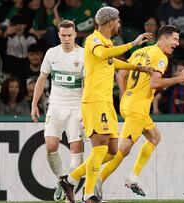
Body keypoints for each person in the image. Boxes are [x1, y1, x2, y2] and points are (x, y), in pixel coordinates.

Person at [58, 7, 152, 203]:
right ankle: (89, 194)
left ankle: (70, 179)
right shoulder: (93, 40)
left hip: (106, 102)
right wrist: (132, 44)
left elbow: (112, 62)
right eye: (117, 21)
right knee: (99, 147)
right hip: (94, 100)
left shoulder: (108, 43)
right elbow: (102, 55)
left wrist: (137, 67)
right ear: (110, 22)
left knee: (111, 151)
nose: (119, 24)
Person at [95, 25, 184, 198]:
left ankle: (133, 178)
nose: (177, 43)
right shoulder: (160, 57)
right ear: (163, 38)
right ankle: (96, 177)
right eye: (174, 39)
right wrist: (179, 79)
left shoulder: (140, 52)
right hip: (138, 108)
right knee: (122, 150)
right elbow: (154, 83)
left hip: (130, 104)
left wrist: (126, 96)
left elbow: (121, 73)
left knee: (155, 137)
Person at [30, 20, 84, 201]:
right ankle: (62, 180)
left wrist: (85, 109)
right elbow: (42, 78)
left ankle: (69, 184)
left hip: (76, 106)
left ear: (75, 34)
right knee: (50, 146)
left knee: (76, 150)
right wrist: (34, 103)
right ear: (59, 35)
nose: (66, 39)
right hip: (56, 106)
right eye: (63, 36)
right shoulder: (51, 53)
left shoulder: (83, 55)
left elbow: (88, 85)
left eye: (69, 35)